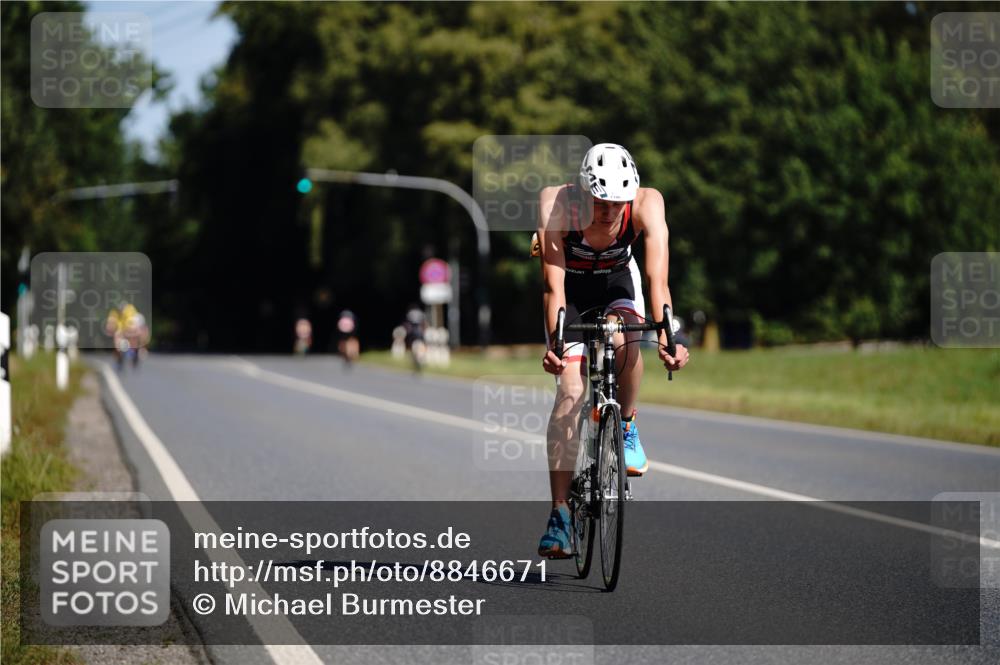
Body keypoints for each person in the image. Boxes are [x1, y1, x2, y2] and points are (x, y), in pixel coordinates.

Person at [535, 143, 690, 558]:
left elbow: (658, 281)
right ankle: (560, 514)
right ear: (584, 192)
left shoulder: (647, 203)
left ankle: (627, 424)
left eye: (616, 203)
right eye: (600, 202)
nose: (608, 211)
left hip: (619, 282)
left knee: (627, 336)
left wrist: (667, 336)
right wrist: (554, 345)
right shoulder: (556, 203)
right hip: (571, 290)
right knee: (569, 392)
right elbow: (554, 287)